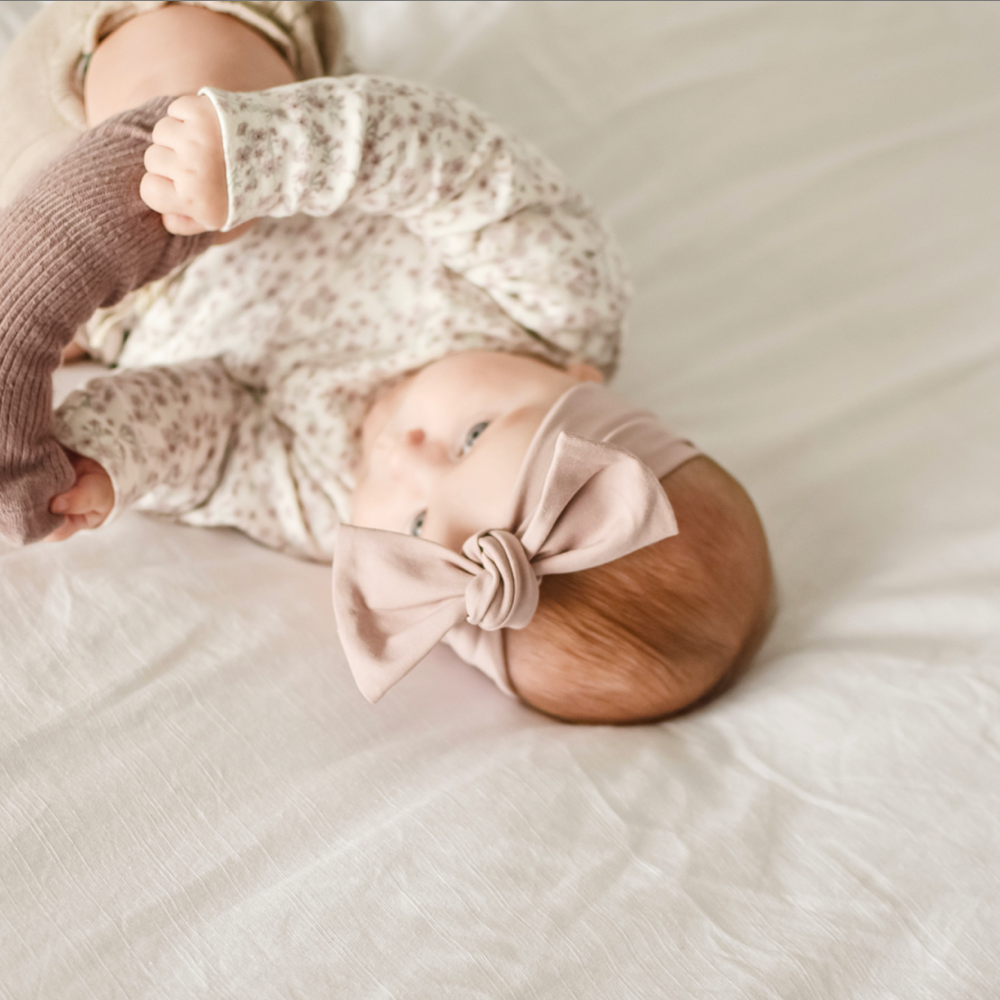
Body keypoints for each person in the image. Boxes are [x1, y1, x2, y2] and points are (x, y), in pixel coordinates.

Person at [0, 2, 773, 722]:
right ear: (578, 380)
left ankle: (34, 279)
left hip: (116, 307)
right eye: (472, 438)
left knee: (55, 392)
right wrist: (263, 158)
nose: (406, 457)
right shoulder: (554, 297)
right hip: (217, 112)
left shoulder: (332, 512)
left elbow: (220, 435)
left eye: (414, 522)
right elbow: (445, 160)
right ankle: (36, 277)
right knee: (191, 76)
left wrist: (107, 456)